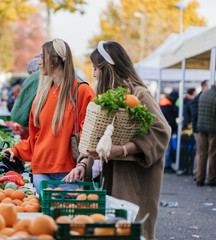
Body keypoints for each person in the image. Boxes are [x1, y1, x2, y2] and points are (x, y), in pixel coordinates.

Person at [63, 41, 171, 240]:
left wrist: (121, 149)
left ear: (108, 69)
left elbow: (161, 131)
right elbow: (97, 139)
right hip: (112, 179)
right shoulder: (108, 97)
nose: (94, 74)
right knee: (114, 231)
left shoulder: (139, 94)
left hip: (134, 181)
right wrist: (84, 163)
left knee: (133, 230)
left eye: (96, 69)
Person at [3, 38, 95, 193]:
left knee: (67, 216)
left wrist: (83, 164)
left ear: (55, 60)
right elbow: (36, 136)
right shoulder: (42, 94)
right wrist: (16, 150)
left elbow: (90, 134)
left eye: (42, 58)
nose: (38, 63)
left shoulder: (81, 91)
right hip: (41, 171)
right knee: (44, 216)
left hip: (70, 172)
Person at [196, 82, 216, 186]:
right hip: (215, 130)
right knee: (213, 155)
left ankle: (199, 178)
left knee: (202, 154)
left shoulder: (204, 93)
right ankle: (210, 179)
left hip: (201, 128)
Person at [191, 80, 209, 178]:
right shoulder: (198, 99)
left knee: (201, 152)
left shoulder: (200, 98)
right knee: (200, 152)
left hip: (201, 128)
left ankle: (199, 173)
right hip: (199, 129)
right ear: (203, 86)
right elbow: (194, 115)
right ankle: (197, 172)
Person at [159, 90, 179, 172]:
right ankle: (166, 165)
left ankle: (166, 164)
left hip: (164, 128)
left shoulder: (163, 102)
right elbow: (171, 120)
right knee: (167, 147)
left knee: (166, 147)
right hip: (167, 129)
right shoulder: (168, 105)